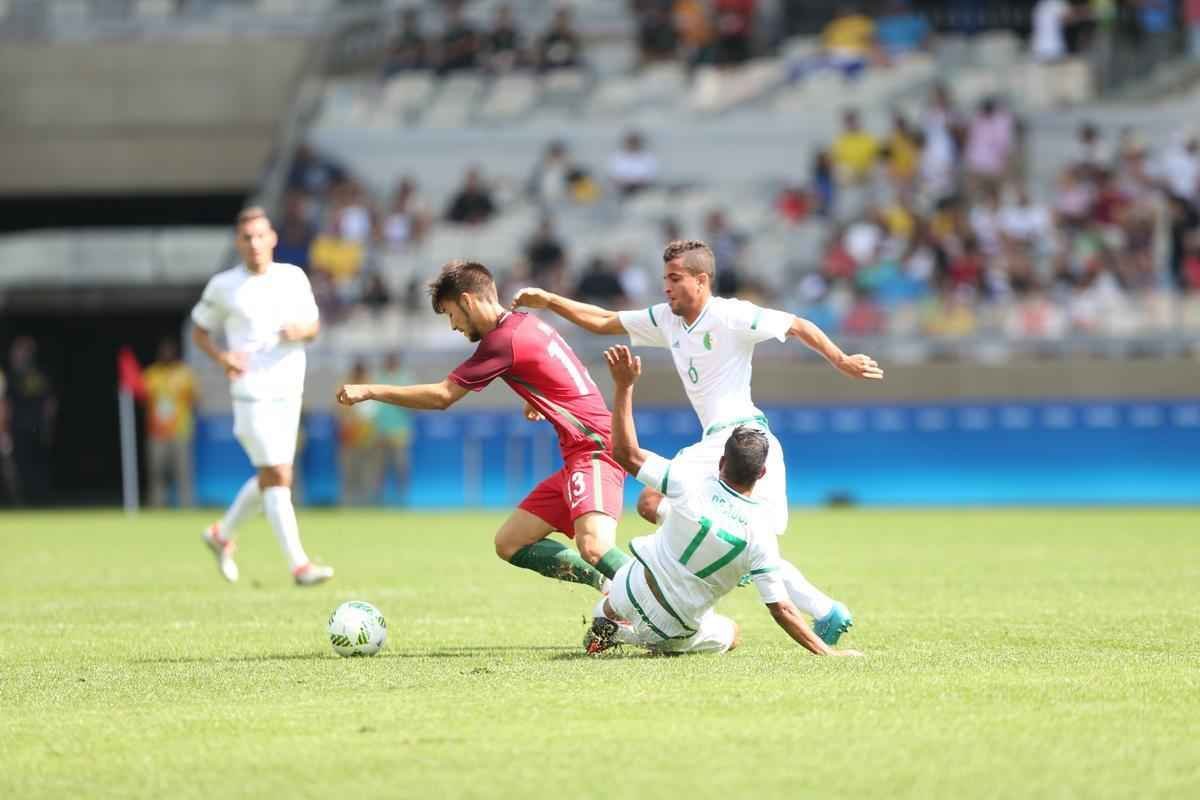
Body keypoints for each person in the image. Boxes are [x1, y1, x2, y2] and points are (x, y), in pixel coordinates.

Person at [513, 240, 885, 643]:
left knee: (669, 507)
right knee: (716, 530)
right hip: (725, 442)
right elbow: (604, 320)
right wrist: (550, 300)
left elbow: (797, 325)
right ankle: (824, 610)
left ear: (701, 280)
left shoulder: (730, 315)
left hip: (738, 436)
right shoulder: (667, 319)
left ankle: (809, 607)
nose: (667, 288)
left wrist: (841, 360)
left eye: (675, 279)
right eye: (664, 280)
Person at [336, 260, 631, 594]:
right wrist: (538, 399)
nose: (452, 326)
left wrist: (370, 390)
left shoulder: (501, 341)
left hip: (593, 449)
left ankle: (661, 599)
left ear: (468, 301)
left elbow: (442, 396)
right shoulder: (526, 324)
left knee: (593, 546)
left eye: (450, 314)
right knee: (511, 542)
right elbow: (559, 367)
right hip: (581, 450)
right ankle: (611, 588)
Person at [583, 345, 863, 657]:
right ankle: (633, 635)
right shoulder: (759, 530)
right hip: (672, 623)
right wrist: (828, 653)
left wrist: (624, 386)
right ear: (763, 474)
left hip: (629, 587)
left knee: (623, 589)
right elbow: (781, 608)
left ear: (720, 462)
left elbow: (625, 454)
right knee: (732, 633)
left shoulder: (687, 480)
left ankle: (607, 616)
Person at [191, 207, 333, 586]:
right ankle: (299, 565)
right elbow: (200, 331)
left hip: (289, 388)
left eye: (260, 235)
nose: (254, 243)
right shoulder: (224, 285)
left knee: (271, 475)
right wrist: (222, 357)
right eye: (246, 237)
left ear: (272, 238)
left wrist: (300, 330)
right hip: (250, 389)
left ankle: (221, 535)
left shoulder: (292, 277)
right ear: (238, 243)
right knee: (279, 475)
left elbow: (315, 327)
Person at [142, 337, 197, 508]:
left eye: (170, 351)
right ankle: (158, 505)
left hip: (180, 431)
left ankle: (186, 506)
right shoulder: (150, 374)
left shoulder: (185, 373)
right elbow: (143, 400)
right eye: (163, 351)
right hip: (156, 432)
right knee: (157, 472)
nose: (166, 354)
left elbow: (194, 400)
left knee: (182, 472)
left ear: (175, 353)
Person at [4, 336, 56, 506]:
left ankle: (38, 500)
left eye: (22, 352)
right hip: (18, 430)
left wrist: (47, 427)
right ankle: (23, 502)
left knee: (36, 467)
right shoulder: (10, 378)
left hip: (32, 429)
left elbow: (50, 405)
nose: (18, 356)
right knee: (19, 468)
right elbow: (6, 406)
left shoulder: (38, 377)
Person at [337, 359, 381, 506]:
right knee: (350, 471)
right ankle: (349, 502)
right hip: (349, 437)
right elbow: (341, 413)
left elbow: (373, 414)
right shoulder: (345, 387)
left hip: (367, 437)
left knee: (367, 471)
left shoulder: (370, 387)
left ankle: (368, 503)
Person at [373, 352, 413, 503]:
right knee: (379, 468)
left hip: (399, 432)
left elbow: (414, 403)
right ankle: (378, 499)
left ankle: (402, 498)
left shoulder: (405, 379)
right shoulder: (379, 378)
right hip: (381, 430)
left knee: (401, 467)